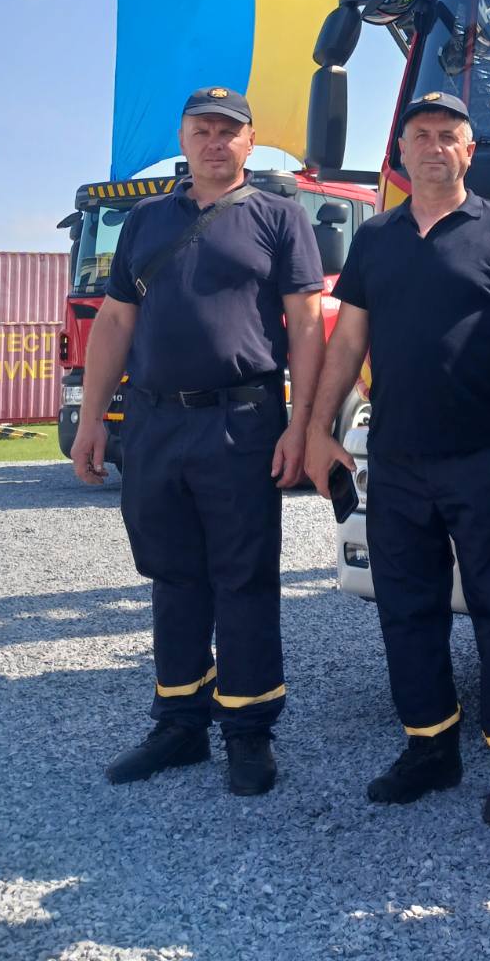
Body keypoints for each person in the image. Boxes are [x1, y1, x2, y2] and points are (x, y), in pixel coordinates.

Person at [304, 91, 490, 827]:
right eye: (421, 135)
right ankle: (431, 747)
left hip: (488, 459)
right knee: (408, 611)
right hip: (398, 461)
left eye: (449, 135)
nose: (434, 146)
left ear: (470, 151)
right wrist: (318, 428)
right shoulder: (376, 238)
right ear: (402, 152)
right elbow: (348, 341)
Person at [71, 86, 325, 797]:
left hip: (241, 421)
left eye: (228, 131)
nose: (216, 142)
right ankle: (179, 725)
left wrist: (303, 424)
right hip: (154, 421)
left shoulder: (278, 217)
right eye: (203, 130)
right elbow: (115, 322)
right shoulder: (147, 220)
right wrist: (92, 420)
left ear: (250, 142)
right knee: (173, 575)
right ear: (183, 139)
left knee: (244, 577)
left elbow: (307, 325)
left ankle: (248, 731)